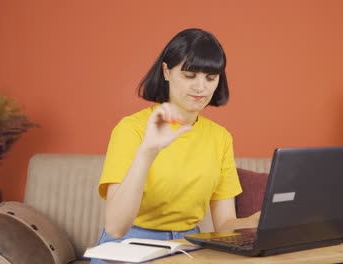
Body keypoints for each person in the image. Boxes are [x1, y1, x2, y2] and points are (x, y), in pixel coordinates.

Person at [92, 28, 260, 263]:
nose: (201, 87)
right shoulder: (132, 129)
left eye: (210, 78)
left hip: (188, 247)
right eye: (190, 76)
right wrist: (148, 151)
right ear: (166, 71)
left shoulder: (220, 138)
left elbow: (224, 225)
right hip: (129, 245)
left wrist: (253, 222)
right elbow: (116, 227)